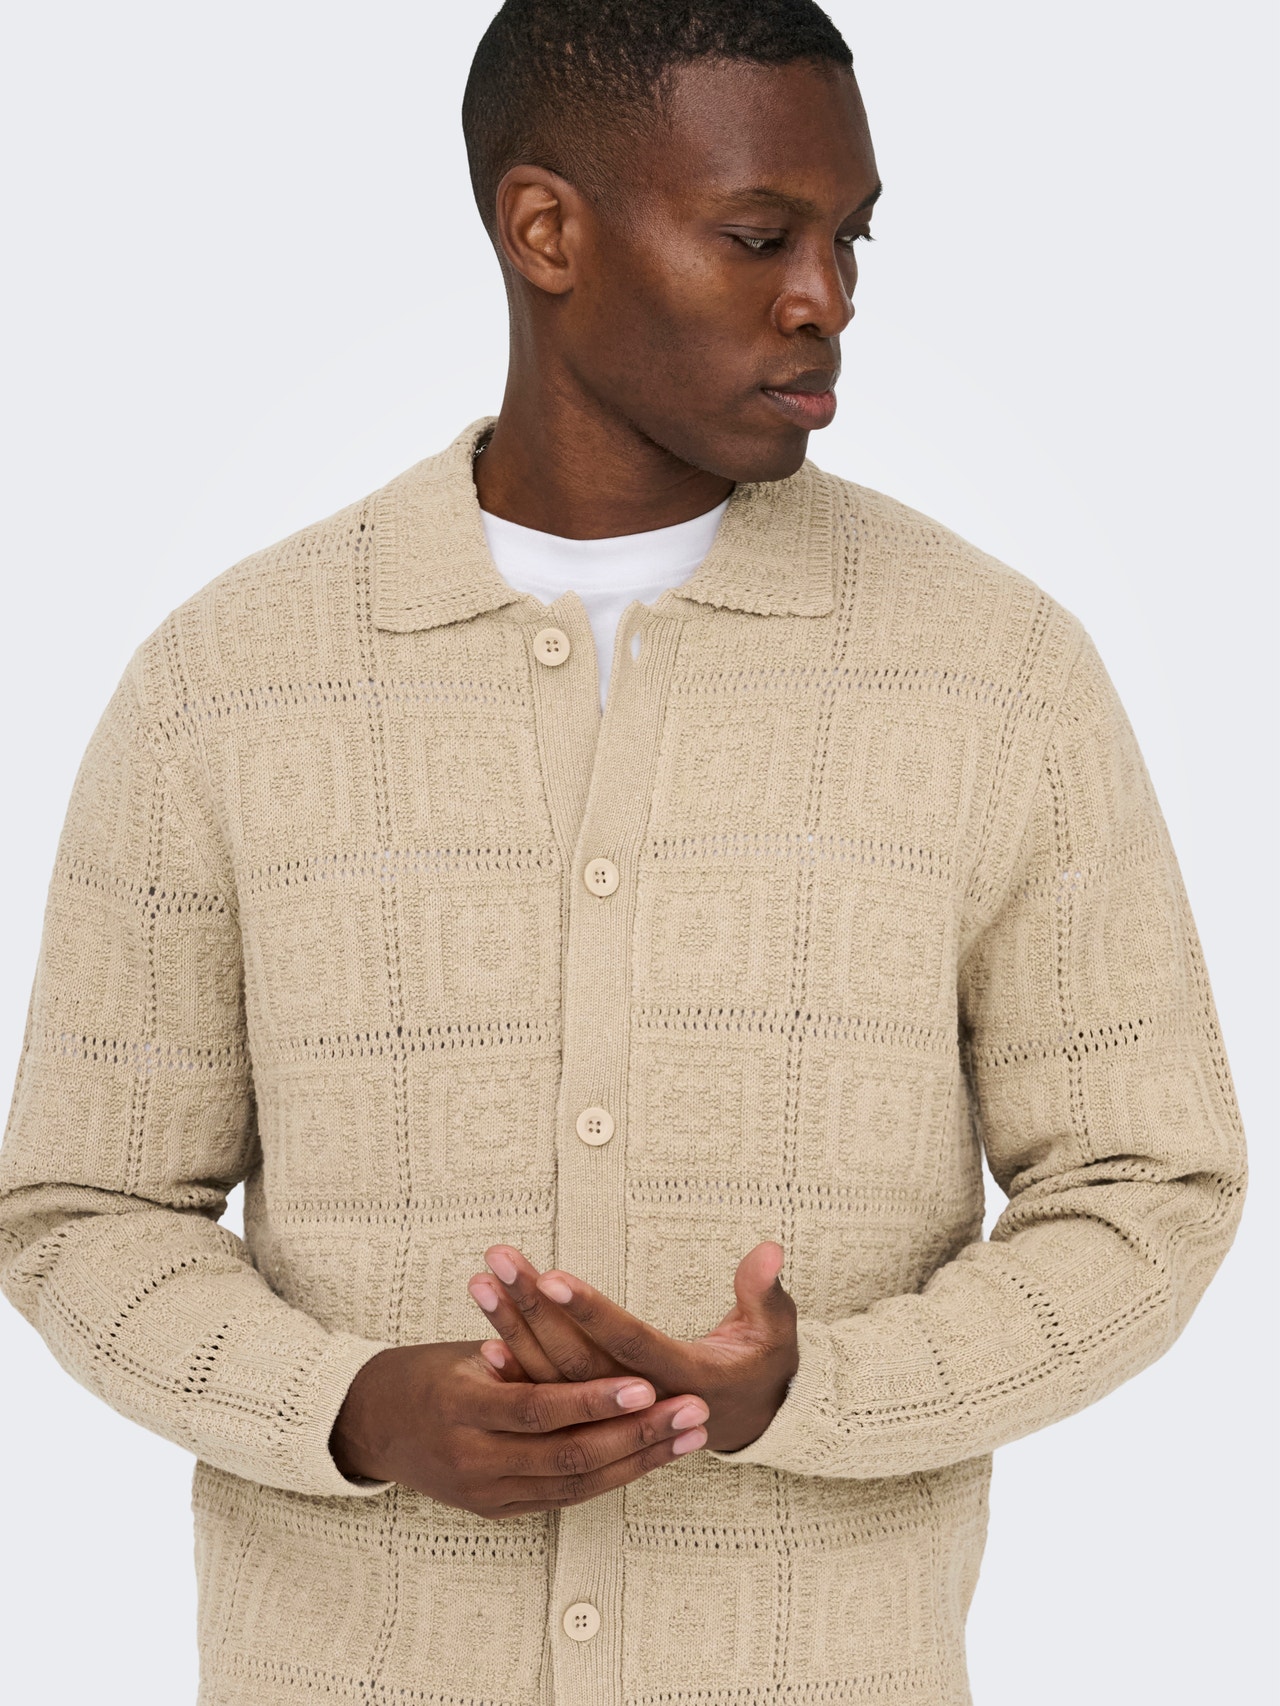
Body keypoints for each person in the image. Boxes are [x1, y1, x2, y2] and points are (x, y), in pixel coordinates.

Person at [0, 2, 1247, 1702]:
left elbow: (1150, 1183)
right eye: (758, 235)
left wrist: (806, 1393)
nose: (826, 296)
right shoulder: (231, 682)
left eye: (850, 237)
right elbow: (79, 1206)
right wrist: (353, 1410)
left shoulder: (996, 674)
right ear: (546, 230)